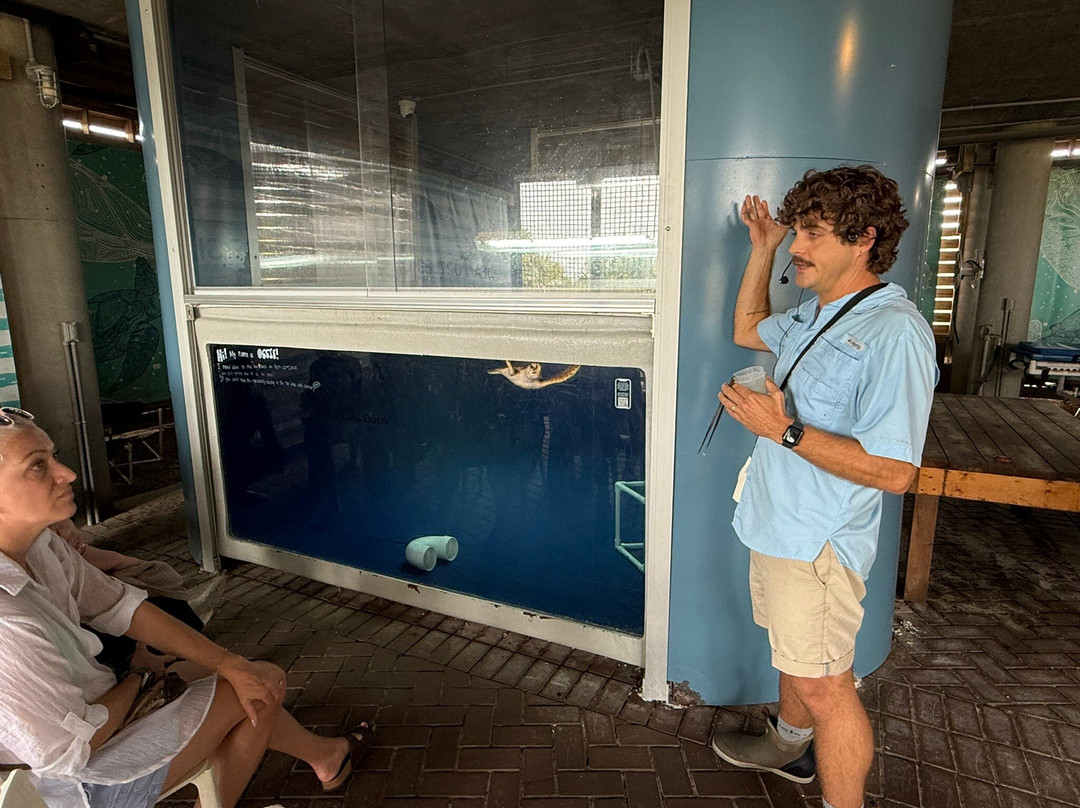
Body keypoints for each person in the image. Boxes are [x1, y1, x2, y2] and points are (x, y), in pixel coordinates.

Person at [0, 408, 374, 808]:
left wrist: (227, 662)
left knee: (239, 676)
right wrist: (140, 675)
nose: (67, 474)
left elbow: (119, 606)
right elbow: (67, 751)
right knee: (261, 686)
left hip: (97, 713)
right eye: (38, 466)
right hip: (73, 786)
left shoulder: (41, 545)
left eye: (54, 456)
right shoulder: (6, 619)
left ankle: (324, 756)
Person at [710, 166, 936, 808]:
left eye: (811, 232)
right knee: (798, 661)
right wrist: (763, 249)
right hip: (778, 525)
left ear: (864, 238)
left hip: (818, 547)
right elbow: (749, 327)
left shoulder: (896, 333)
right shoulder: (817, 313)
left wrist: (782, 430)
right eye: (797, 231)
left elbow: (896, 472)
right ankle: (787, 746)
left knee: (829, 689)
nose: (798, 247)